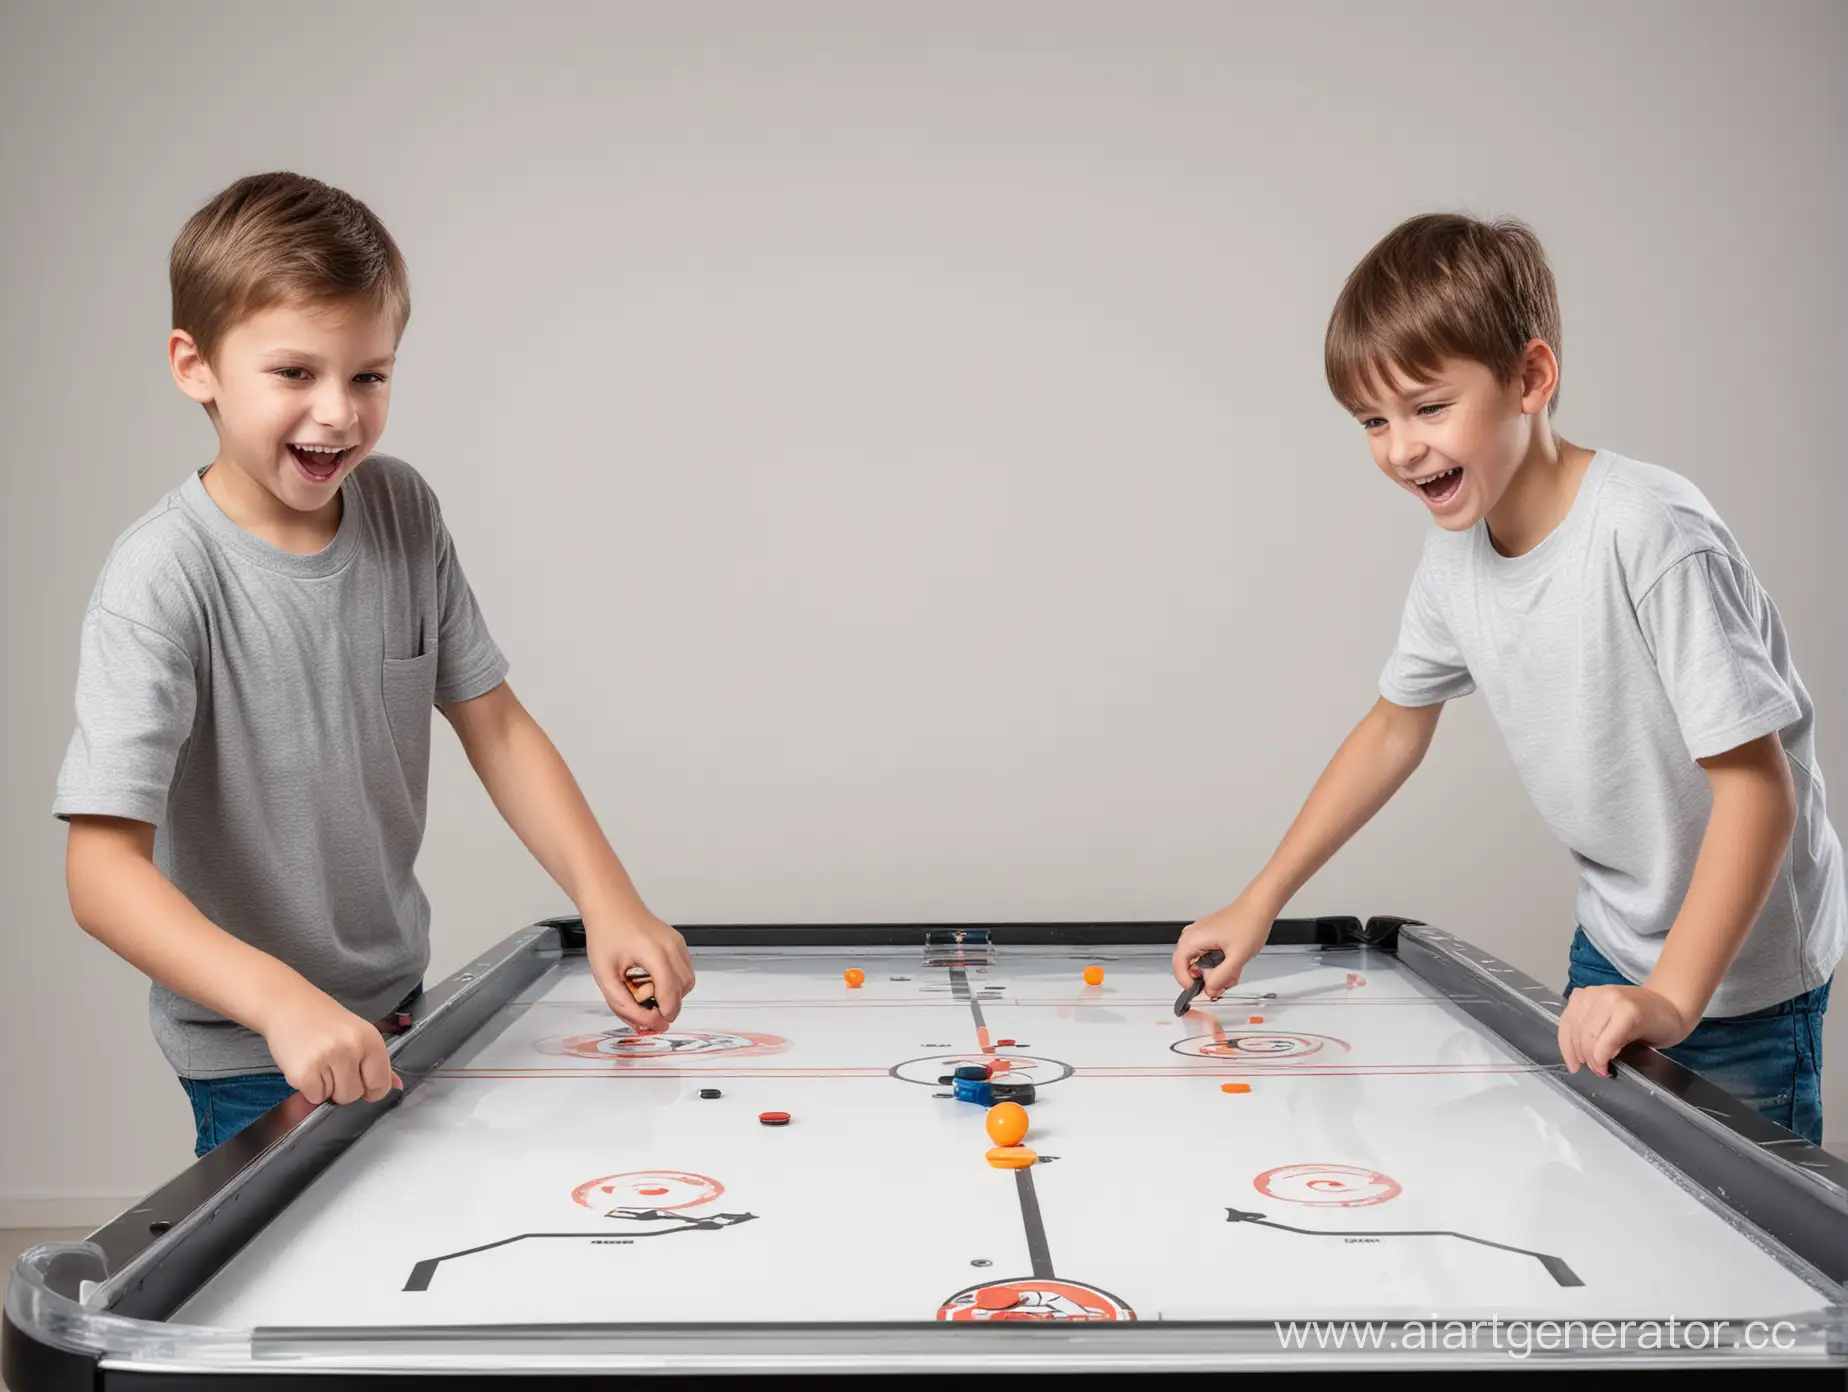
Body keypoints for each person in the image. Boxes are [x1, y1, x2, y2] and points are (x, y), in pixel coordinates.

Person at [55, 171, 694, 1156]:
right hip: (256, 1051)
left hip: (400, 1006)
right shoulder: (161, 578)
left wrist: (608, 899)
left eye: (368, 375)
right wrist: (280, 1003)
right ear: (197, 366)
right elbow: (100, 875)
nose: (338, 414)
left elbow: (497, 723)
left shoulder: (402, 510)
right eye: (294, 374)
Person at [1172, 212, 1841, 1144]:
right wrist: (1261, 899)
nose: (1400, 448)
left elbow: (1759, 793)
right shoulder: (1456, 557)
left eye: (1429, 407)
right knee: (1614, 1211)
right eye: (1374, 420)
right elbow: (1395, 726)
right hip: (1615, 941)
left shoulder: (1649, 535)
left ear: (1530, 378)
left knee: (1744, 1258)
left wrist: (1673, 999)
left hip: (1740, 980)